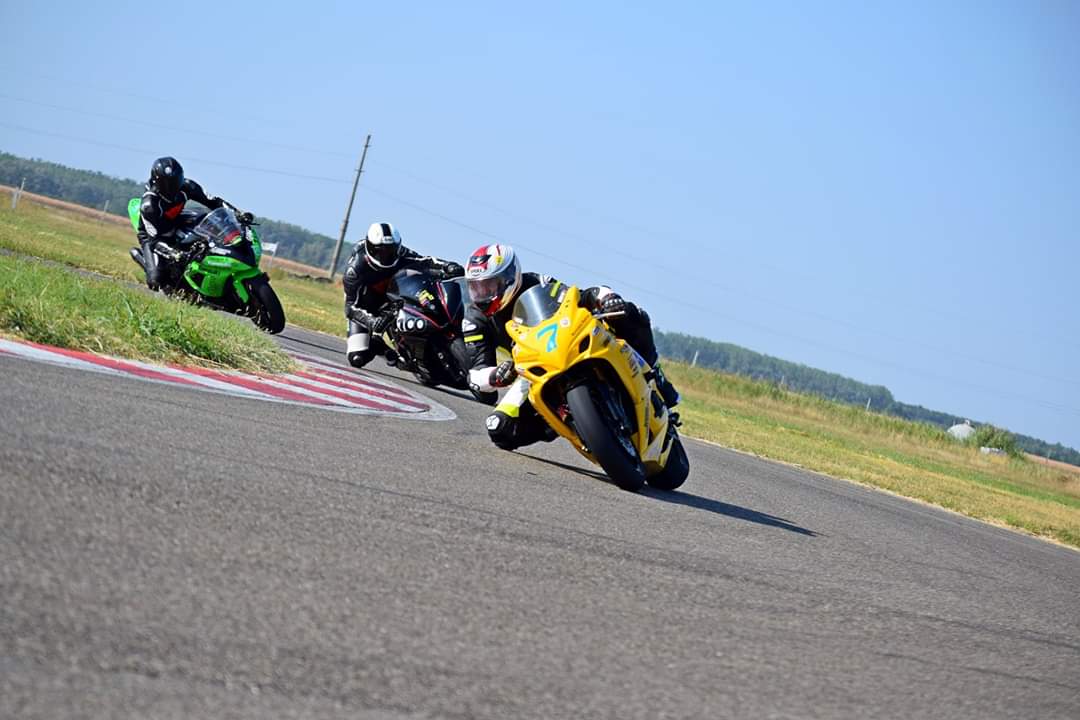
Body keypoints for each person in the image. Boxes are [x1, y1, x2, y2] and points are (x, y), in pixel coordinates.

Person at [462, 243, 679, 450]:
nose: (482, 294)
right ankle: (570, 424)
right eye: (476, 287)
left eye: (488, 285)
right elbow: (476, 375)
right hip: (530, 372)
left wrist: (606, 297)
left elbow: (578, 297)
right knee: (500, 429)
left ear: (509, 278)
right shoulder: (474, 320)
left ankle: (655, 371)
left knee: (629, 312)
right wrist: (496, 376)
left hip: (567, 343)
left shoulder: (538, 283)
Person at [343, 222, 464, 368]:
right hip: (366, 305)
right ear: (370, 247)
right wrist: (371, 321)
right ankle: (384, 350)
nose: (386, 256)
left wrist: (447, 266)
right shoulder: (355, 269)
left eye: (390, 251)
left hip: (394, 297)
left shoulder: (400, 253)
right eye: (381, 252)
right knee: (357, 357)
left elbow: (424, 261)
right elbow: (350, 308)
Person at [135, 156, 251, 290]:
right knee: (156, 281)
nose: (174, 187)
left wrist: (237, 213)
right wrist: (173, 253)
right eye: (169, 183)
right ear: (158, 182)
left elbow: (213, 202)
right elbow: (155, 240)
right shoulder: (150, 205)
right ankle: (140, 256)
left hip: (177, 219)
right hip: (155, 234)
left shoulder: (188, 186)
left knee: (209, 224)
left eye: (176, 181)